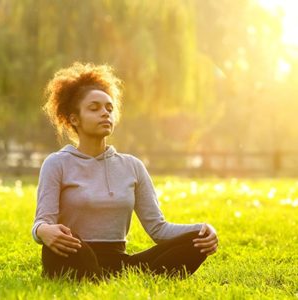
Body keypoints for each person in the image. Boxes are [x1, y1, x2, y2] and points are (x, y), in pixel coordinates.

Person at [32, 62, 218, 281]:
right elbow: (41, 222)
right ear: (74, 119)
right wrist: (44, 231)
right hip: (72, 253)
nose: (105, 113)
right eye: (95, 108)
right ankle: (96, 277)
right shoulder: (57, 163)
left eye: (109, 108)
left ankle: (102, 278)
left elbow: (158, 229)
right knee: (74, 249)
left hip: (119, 262)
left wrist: (204, 229)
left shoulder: (132, 166)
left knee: (197, 240)